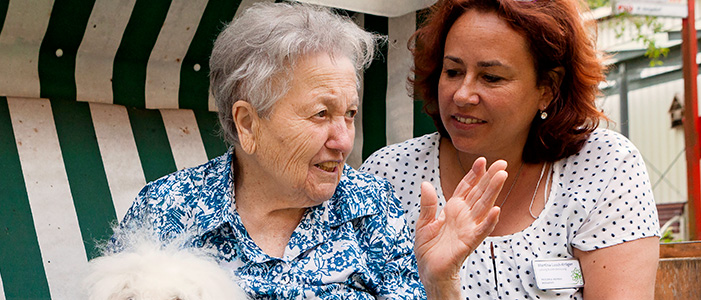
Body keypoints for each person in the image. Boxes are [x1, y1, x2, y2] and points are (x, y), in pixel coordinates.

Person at [114, 2, 507, 299]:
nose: (344, 140)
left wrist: (440, 284)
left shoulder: (372, 207)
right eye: (321, 114)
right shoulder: (167, 208)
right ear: (248, 123)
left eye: (350, 114)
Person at [359, 0, 661, 298]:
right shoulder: (389, 174)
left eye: (491, 77)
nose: (462, 94)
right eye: (452, 71)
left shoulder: (604, 166)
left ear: (548, 89)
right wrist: (439, 287)